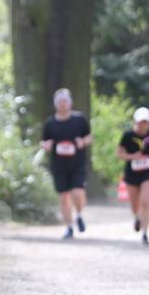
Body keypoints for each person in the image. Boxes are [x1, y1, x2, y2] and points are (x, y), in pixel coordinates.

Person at [41, 88, 92, 239]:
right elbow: (44, 141)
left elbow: (89, 137)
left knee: (78, 193)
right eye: (60, 102)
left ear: (70, 103)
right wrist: (46, 146)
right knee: (63, 197)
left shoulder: (79, 119)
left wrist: (83, 142)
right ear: (56, 104)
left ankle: (79, 215)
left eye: (65, 101)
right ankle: (69, 227)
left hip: (77, 164)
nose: (63, 104)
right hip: (59, 165)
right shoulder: (50, 123)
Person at [116, 107, 149, 245]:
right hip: (131, 173)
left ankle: (145, 233)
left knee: (145, 202)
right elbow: (119, 154)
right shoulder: (127, 136)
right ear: (136, 121)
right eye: (141, 121)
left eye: (146, 122)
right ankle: (137, 217)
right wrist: (132, 156)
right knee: (135, 204)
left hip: (147, 172)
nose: (143, 124)